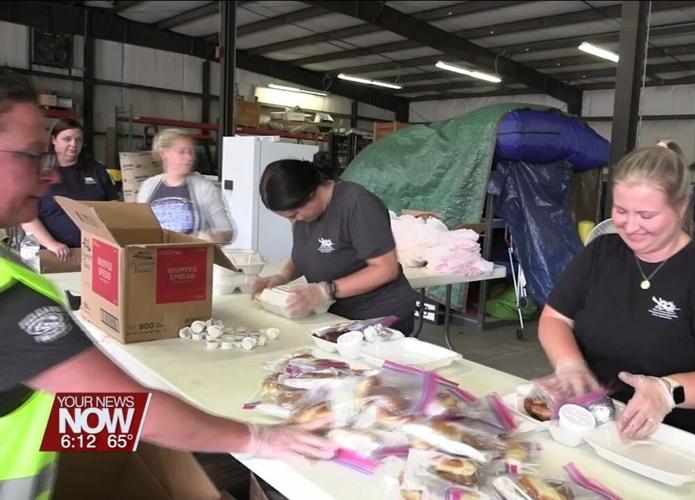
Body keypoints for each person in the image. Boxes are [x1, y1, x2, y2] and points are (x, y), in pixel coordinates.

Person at [0, 71, 335, 500]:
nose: (48, 177)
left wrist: (161, 430)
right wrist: (257, 440)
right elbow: (128, 412)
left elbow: (53, 411)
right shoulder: (9, 298)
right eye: (32, 155)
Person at [538, 140, 695, 445]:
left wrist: (667, 392)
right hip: (592, 422)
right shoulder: (601, 254)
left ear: (681, 207)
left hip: (676, 439)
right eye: (621, 211)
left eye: (646, 216)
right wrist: (570, 365)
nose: (631, 227)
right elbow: (555, 318)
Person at [251, 154, 417, 334]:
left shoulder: (358, 205)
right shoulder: (305, 216)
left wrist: (326, 291)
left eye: (294, 215)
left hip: (377, 315)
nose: (293, 221)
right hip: (336, 315)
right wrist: (283, 277)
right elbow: (306, 252)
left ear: (311, 194)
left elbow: (385, 269)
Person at [20, 119, 118, 261]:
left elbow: (114, 207)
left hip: (95, 253)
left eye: (78, 140)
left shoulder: (96, 169)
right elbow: (26, 216)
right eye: (67, 139)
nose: (73, 144)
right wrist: (52, 244)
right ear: (54, 140)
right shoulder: (38, 170)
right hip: (53, 255)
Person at [136, 129, 233, 243]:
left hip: (191, 257)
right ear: (163, 153)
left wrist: (208, 239)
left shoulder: (204, 188)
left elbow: (226, 231)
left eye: (191, 152)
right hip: (155, 257)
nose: (188, 158)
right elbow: (139, 227)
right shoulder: (148, 187)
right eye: (182, 152)